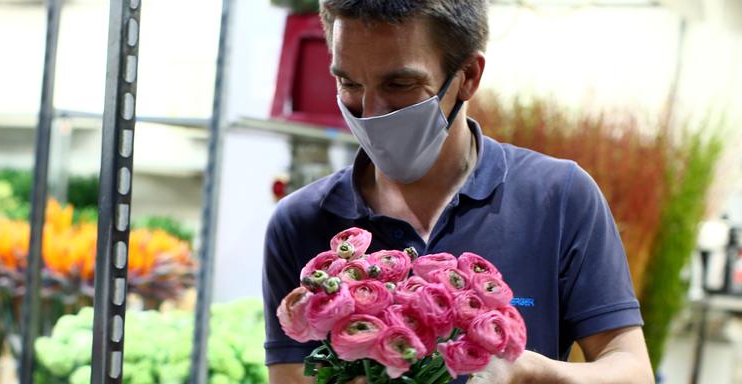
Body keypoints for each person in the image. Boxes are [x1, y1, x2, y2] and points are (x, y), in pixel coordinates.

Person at [262, 1, 655, 383]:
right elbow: (291, 375)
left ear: (468, 75)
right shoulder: (301, 222)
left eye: (400, 84)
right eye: (349, 82)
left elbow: (631, 369)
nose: (371, 111)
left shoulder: (559, 197)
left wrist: (530, 372)